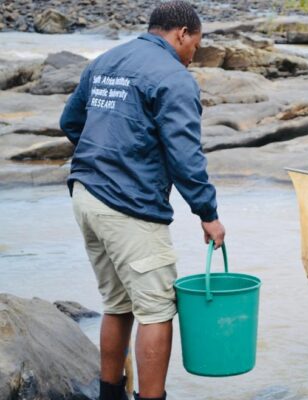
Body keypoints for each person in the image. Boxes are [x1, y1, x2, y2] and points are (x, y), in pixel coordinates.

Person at [59, 2, 225, 399]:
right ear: (182, 33)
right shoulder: (173, 77)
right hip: (128, 207)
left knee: (118, 304)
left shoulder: (107, 59)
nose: (192, 56)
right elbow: (185, 156)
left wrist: (107, 156)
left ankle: (110, 394)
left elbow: (70, 122)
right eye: (194, 46)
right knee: (157, 310)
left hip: (86, 195)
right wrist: (208, 213)